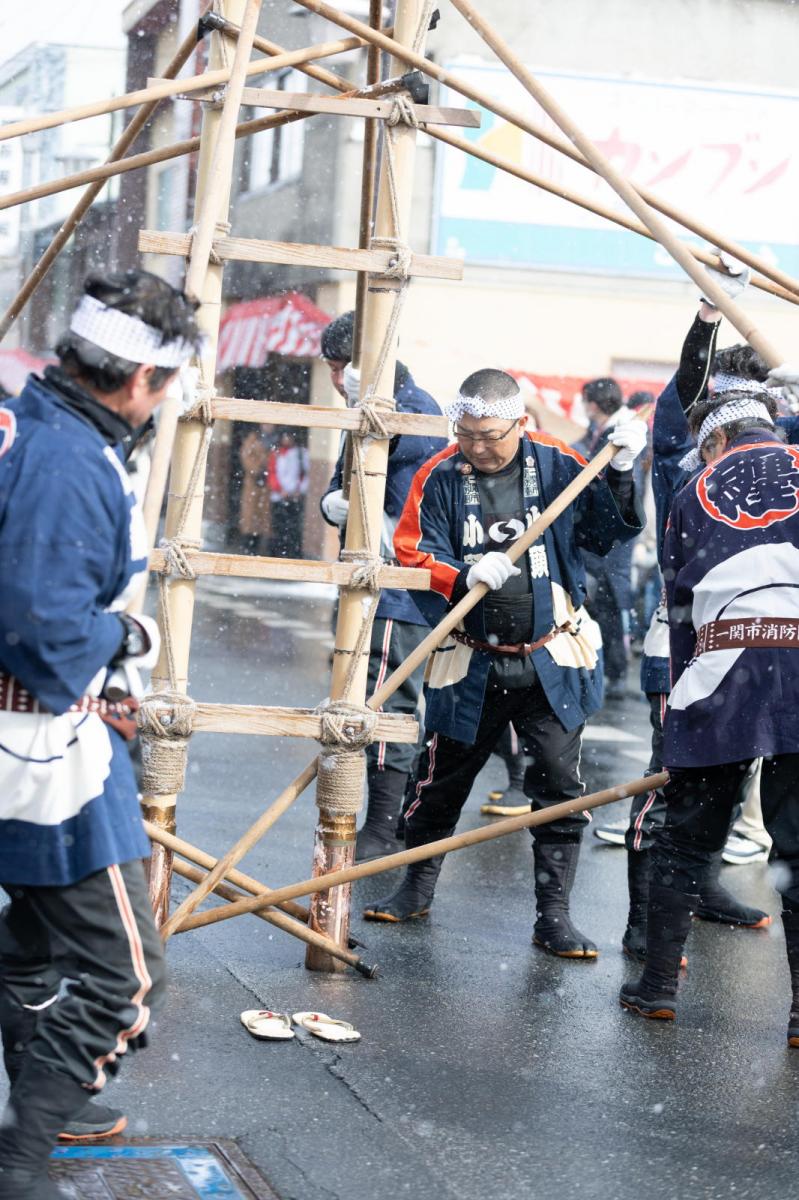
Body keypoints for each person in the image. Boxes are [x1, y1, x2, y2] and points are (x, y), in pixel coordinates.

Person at [0, 269, 202, 1199]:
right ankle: (23, 1153)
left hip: (36, 732)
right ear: (136, 381)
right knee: (124, 973)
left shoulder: (37, 428)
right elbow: (42, 635)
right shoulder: (66, 461)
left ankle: (52, 1097)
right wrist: (124, 638)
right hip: (41, 747)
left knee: (36, 942)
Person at [363, 368, 646, 956]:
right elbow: (413, 549)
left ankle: (554, 917)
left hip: (551, 656)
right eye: (467, 434)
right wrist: (461, 574)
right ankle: (414, 890)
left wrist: (620, 473)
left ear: (520, 422)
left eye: (492, 434)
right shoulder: (440, 473)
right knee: (439, 782)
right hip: (469, 659)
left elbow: (602, 534)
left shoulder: (557, 461)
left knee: (560, 789)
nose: (479, 447)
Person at [619, 387, 799, 1039]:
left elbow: (680, 603)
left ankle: (658, 986)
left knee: (685, 838)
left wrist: (679, 699)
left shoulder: (692, 491)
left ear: (716, 441)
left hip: (727, 663)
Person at [611, 285, 773, 963]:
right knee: (673, 788)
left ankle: (700, 888)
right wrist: (707, 320)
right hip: (680, 649)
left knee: (729, 786)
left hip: (760, 652)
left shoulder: (776, 459)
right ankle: (644, 922)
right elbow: (685, 393)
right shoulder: (688, 453)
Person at [319, 311, 447, 861]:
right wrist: (335, 505)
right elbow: (344, 482)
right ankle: (386, 817)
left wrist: (375, 416)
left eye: (334, 367)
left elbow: (403, 474)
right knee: (362, 690)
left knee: (387, 699)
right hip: (365, 572)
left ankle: (384, 821)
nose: (331, 378)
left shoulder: (416, 408)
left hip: (397, 580)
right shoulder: (364, 405)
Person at [574, 377, 637, 698]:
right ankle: (597, 670)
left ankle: (614, 673)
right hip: (594, 538)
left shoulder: (627, 431)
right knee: (595, 607)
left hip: (613, 538)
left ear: (593, 403)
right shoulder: (595, 434)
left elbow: (624, 490)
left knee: (611, 609)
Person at [268, 429, 309, 558]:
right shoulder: (276, 453)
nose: (287, 439)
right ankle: (277, 555)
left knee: (293, 528)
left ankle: (292, 554)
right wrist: (280, 489)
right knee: (278, 528)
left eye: (289, 436)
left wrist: (299, 490)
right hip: (278, 497)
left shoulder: (301, 454)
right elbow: (272, 473)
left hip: (294, 497)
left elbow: (305, 474)